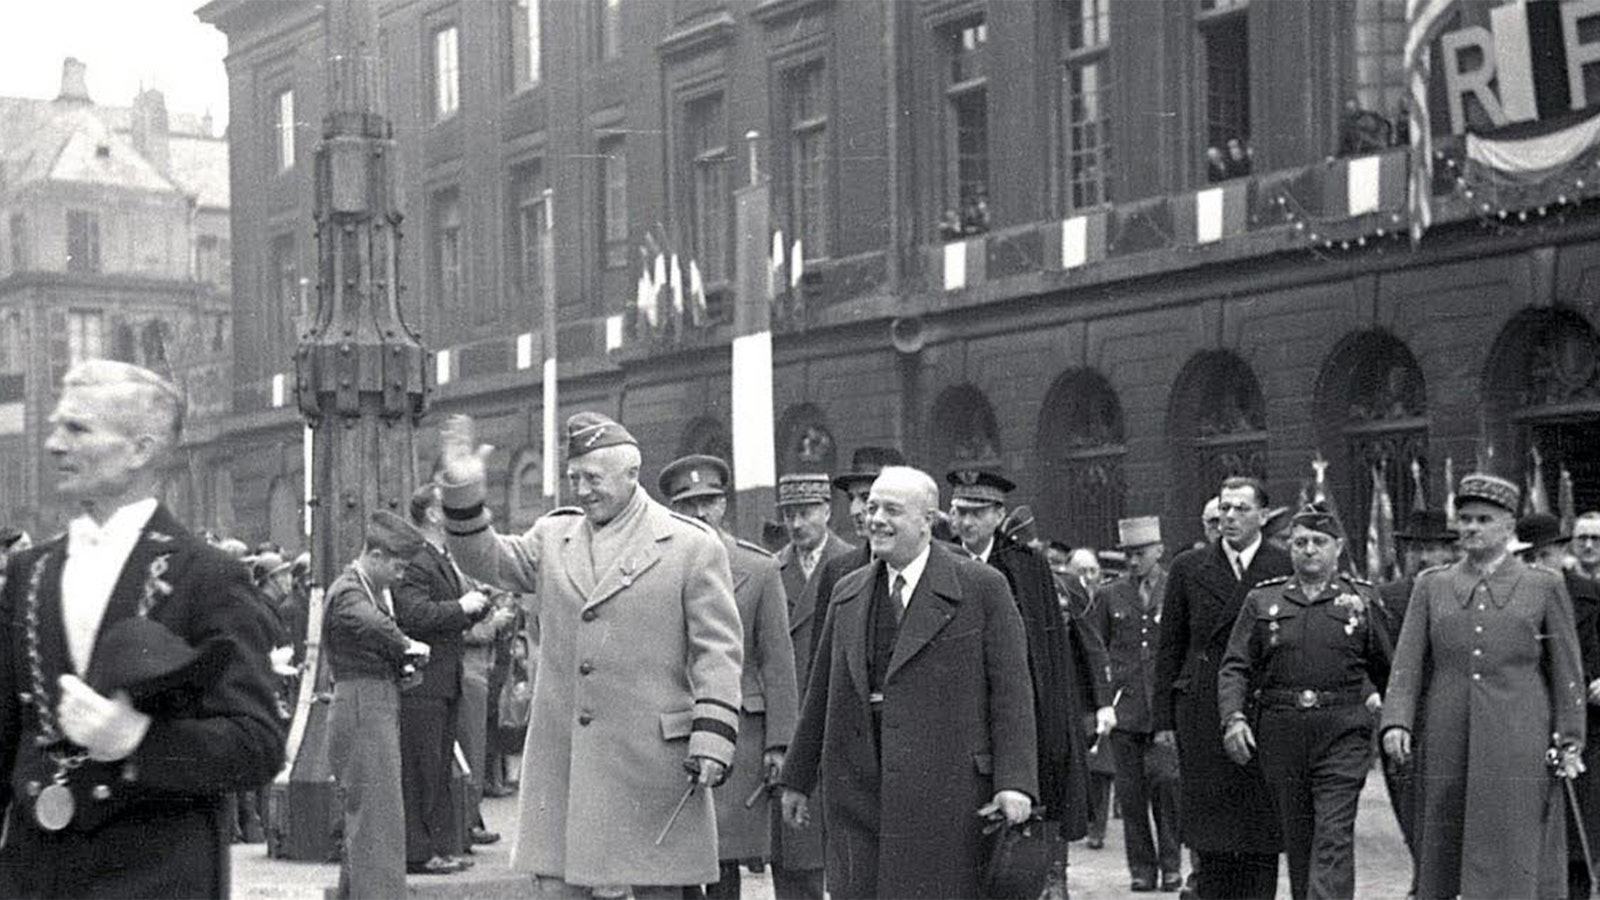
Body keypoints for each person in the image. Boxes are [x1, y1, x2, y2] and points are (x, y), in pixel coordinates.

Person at [0, 360, 286, 898]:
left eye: (78, 429)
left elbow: (259, 746)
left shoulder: (207, 574)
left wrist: (138, 742)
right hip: (34, 877)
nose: (54, 445)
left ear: (140, 450)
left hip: (156, 876)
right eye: (57, 426)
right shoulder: (28, 572)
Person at [438, 411, 744, 897]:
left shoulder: (690, 546)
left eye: (593, 478)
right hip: (566, 767)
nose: (581, 490)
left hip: (651, 768)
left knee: (654, 889)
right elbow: (486, 559)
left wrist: (713, 738)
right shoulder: (553, 538)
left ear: (631, 473)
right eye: (574, 477)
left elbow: (718, 653)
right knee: (559, 889)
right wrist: (464, 493)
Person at [779, 466, 1038, 899]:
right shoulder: (847, 591)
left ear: (927, 520)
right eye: (872, 508)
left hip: (948, 795)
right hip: (858, 795)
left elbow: (1012, 696)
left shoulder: (981, 588)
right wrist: (798, 778)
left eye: (892, 510)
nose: (875, 519)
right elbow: (821, 693)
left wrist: (1015, 782)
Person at [1381, 473, 1587, 899]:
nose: (1472, 528)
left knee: (1513, 835)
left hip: (1519, 735)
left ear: (1508, 526)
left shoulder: (1543, 585)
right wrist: (1397, 721)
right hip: (1446, 732)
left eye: (1483, 519)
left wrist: (1570, 739)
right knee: (1443, 838)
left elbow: (1566, 670)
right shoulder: (1432, 585)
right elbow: (1407, 663)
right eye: (1465, 519)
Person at [947, 466, 1112, 897]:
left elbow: (1047, 657)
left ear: (998, 515)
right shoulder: (939, 559)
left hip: (1018, 712)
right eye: (959, 511)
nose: (966, 522)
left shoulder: (1025, 565)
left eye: (977, 512)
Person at [1217, 503, 1392, 900]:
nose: (1309, 550)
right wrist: (1234, 718)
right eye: (1300, 543)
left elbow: (1389, 668)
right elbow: (1235, 666)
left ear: (1338, 547)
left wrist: (1394, 722)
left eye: (1319, 542)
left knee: (1333, 833)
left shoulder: (1361, 599)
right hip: (1282, 734)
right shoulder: (1263, 600)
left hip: (1343, 733)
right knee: (1300, 839)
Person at [658, 454, 799, 900]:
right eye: (688, 504)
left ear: (724, 504)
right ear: (673, 511)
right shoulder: (657, 568)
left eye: (709, 501)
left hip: (740, 734)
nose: (700, 513)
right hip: (672, 729)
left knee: (724, 858)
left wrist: (780, 744)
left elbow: (778, 663)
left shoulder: (758, 569)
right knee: (673, 857)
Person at [1154, 475, 1291, 899]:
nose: (1229, 517)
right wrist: (1163, 720)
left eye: (1241, 509)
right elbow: (1170, 646)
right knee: (1210, 829)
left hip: (1263, 709)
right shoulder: (1189, 567)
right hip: (1202, 709)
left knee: (1260, 827)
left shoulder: (1283, 566)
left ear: (1263, 516)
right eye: (1224, 508)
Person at [326, 510, 434, 898]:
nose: (400, 575)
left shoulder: (364, 588)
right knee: (378, 822)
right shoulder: (348, 591)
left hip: (369, 703)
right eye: (397, 566)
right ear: (375, 555)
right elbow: (370, 623)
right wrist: (407, 645)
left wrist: (400, 665)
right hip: (363, 707)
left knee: (371, 818)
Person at [395, 483, 500, 874]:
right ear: (433, 515)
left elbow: (442, 616)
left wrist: (476, 606)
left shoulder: (439, 558)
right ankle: (419, 852)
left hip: (443, 679)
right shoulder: (418, 560)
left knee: (437, 769)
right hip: (425, 682)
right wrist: (460, 606)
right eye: (447, 505)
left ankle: (435, 849)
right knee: (422, 770)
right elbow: (413, 615)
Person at [772, 471, 856, 900]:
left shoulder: (853, 563)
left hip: (835, 719)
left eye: (805, 512)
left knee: (846, 857)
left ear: (827, 510)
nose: (796, 523)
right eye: (789, 514)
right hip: (792, 721)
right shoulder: (772, 569)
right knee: (796, 861)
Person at [1516, 511, 1600, 900]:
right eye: (1527, 557)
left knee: (1577, 836)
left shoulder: (1585, 595)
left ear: (1558, 553)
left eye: (1544, 555)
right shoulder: (1508, 598)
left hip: (1585, 726)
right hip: (1525, 721)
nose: (1536, 565)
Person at [1100, 516, 1182, 892]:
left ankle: (1171, 864)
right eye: (1128, 555)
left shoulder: (1174, 588)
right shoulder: (1111, 594)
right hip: (1126, 710)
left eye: (1141, 553)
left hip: (1163, 711)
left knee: (1167, 787)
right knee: (1131, 797)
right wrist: (1105, 702)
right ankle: (1142, 869)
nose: (1134, 561)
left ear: (1159, 551)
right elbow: (1099, 648)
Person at [1374, 508, 1457, 866]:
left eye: (1433, 548)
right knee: (1411, 812)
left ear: (1450, 552)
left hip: (1453, 716)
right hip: (1404, 722)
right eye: (1415, 548)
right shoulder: (1385, 598)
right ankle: (1424, 877)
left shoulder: (1464, 593)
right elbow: (1369, 656)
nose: (1423, 557)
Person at [811, 447, 906, 663]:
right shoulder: (838, 573)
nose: (855, 510)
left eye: (866, 498)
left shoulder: (942, 566)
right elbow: (821, 664)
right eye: (851, 498)